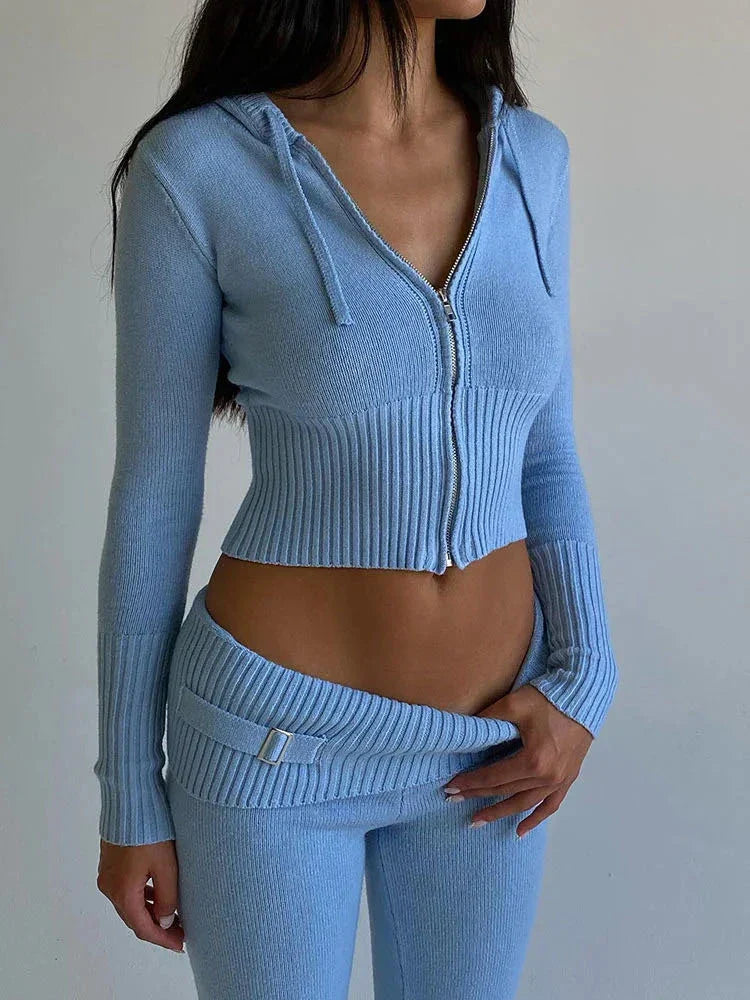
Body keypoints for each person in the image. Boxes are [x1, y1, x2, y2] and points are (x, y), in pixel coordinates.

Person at [93, 2, 619, 998]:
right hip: (272, 746)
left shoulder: (532, 157)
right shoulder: (198, 167)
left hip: (490, 747)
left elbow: (543, 452)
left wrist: (585, 676)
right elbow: (155, 496)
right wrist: (130, 794)